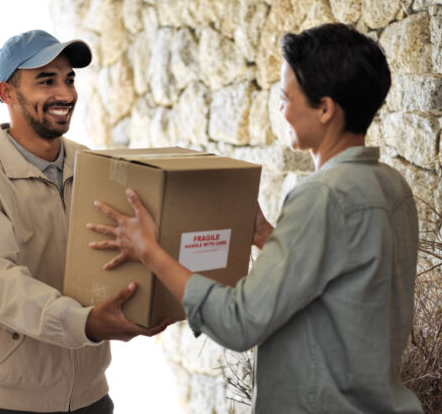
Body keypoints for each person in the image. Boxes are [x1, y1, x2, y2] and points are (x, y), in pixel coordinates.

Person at [87, 23, 424, 413]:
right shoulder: (390, 185)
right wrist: (267, 235)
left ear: (326, 109)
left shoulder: (322, 196)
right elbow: (345, 283)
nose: (281, 110)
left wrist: (151, 253)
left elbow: (240, 322)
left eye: (286, 97)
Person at [0, 29, 167, 414]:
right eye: (46, 81)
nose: (65, 94)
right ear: (7, 92)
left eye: (69, 79)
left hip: (92, 399)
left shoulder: (94, 166)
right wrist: (86, 324)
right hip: (9, 405)